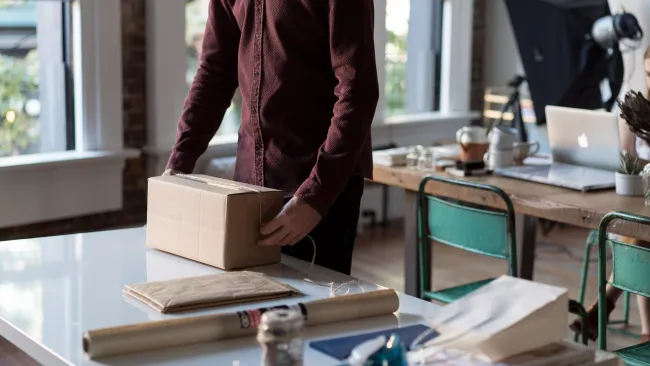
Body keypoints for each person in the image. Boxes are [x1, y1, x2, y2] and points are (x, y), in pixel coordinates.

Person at [163, 0, 379, 275]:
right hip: (249, 189)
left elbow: (357, 92)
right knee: (251, 309)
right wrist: (178, 164)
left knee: (313, 313)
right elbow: (215, 71)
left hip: (319, 188)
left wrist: (315, 197)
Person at [570, 47, 650, 343]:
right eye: (649, 74)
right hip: (635, 203)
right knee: (637, 233)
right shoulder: (637, 110)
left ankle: (601, 309)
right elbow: (625, 160)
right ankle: (644, 331)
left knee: (641, 237)